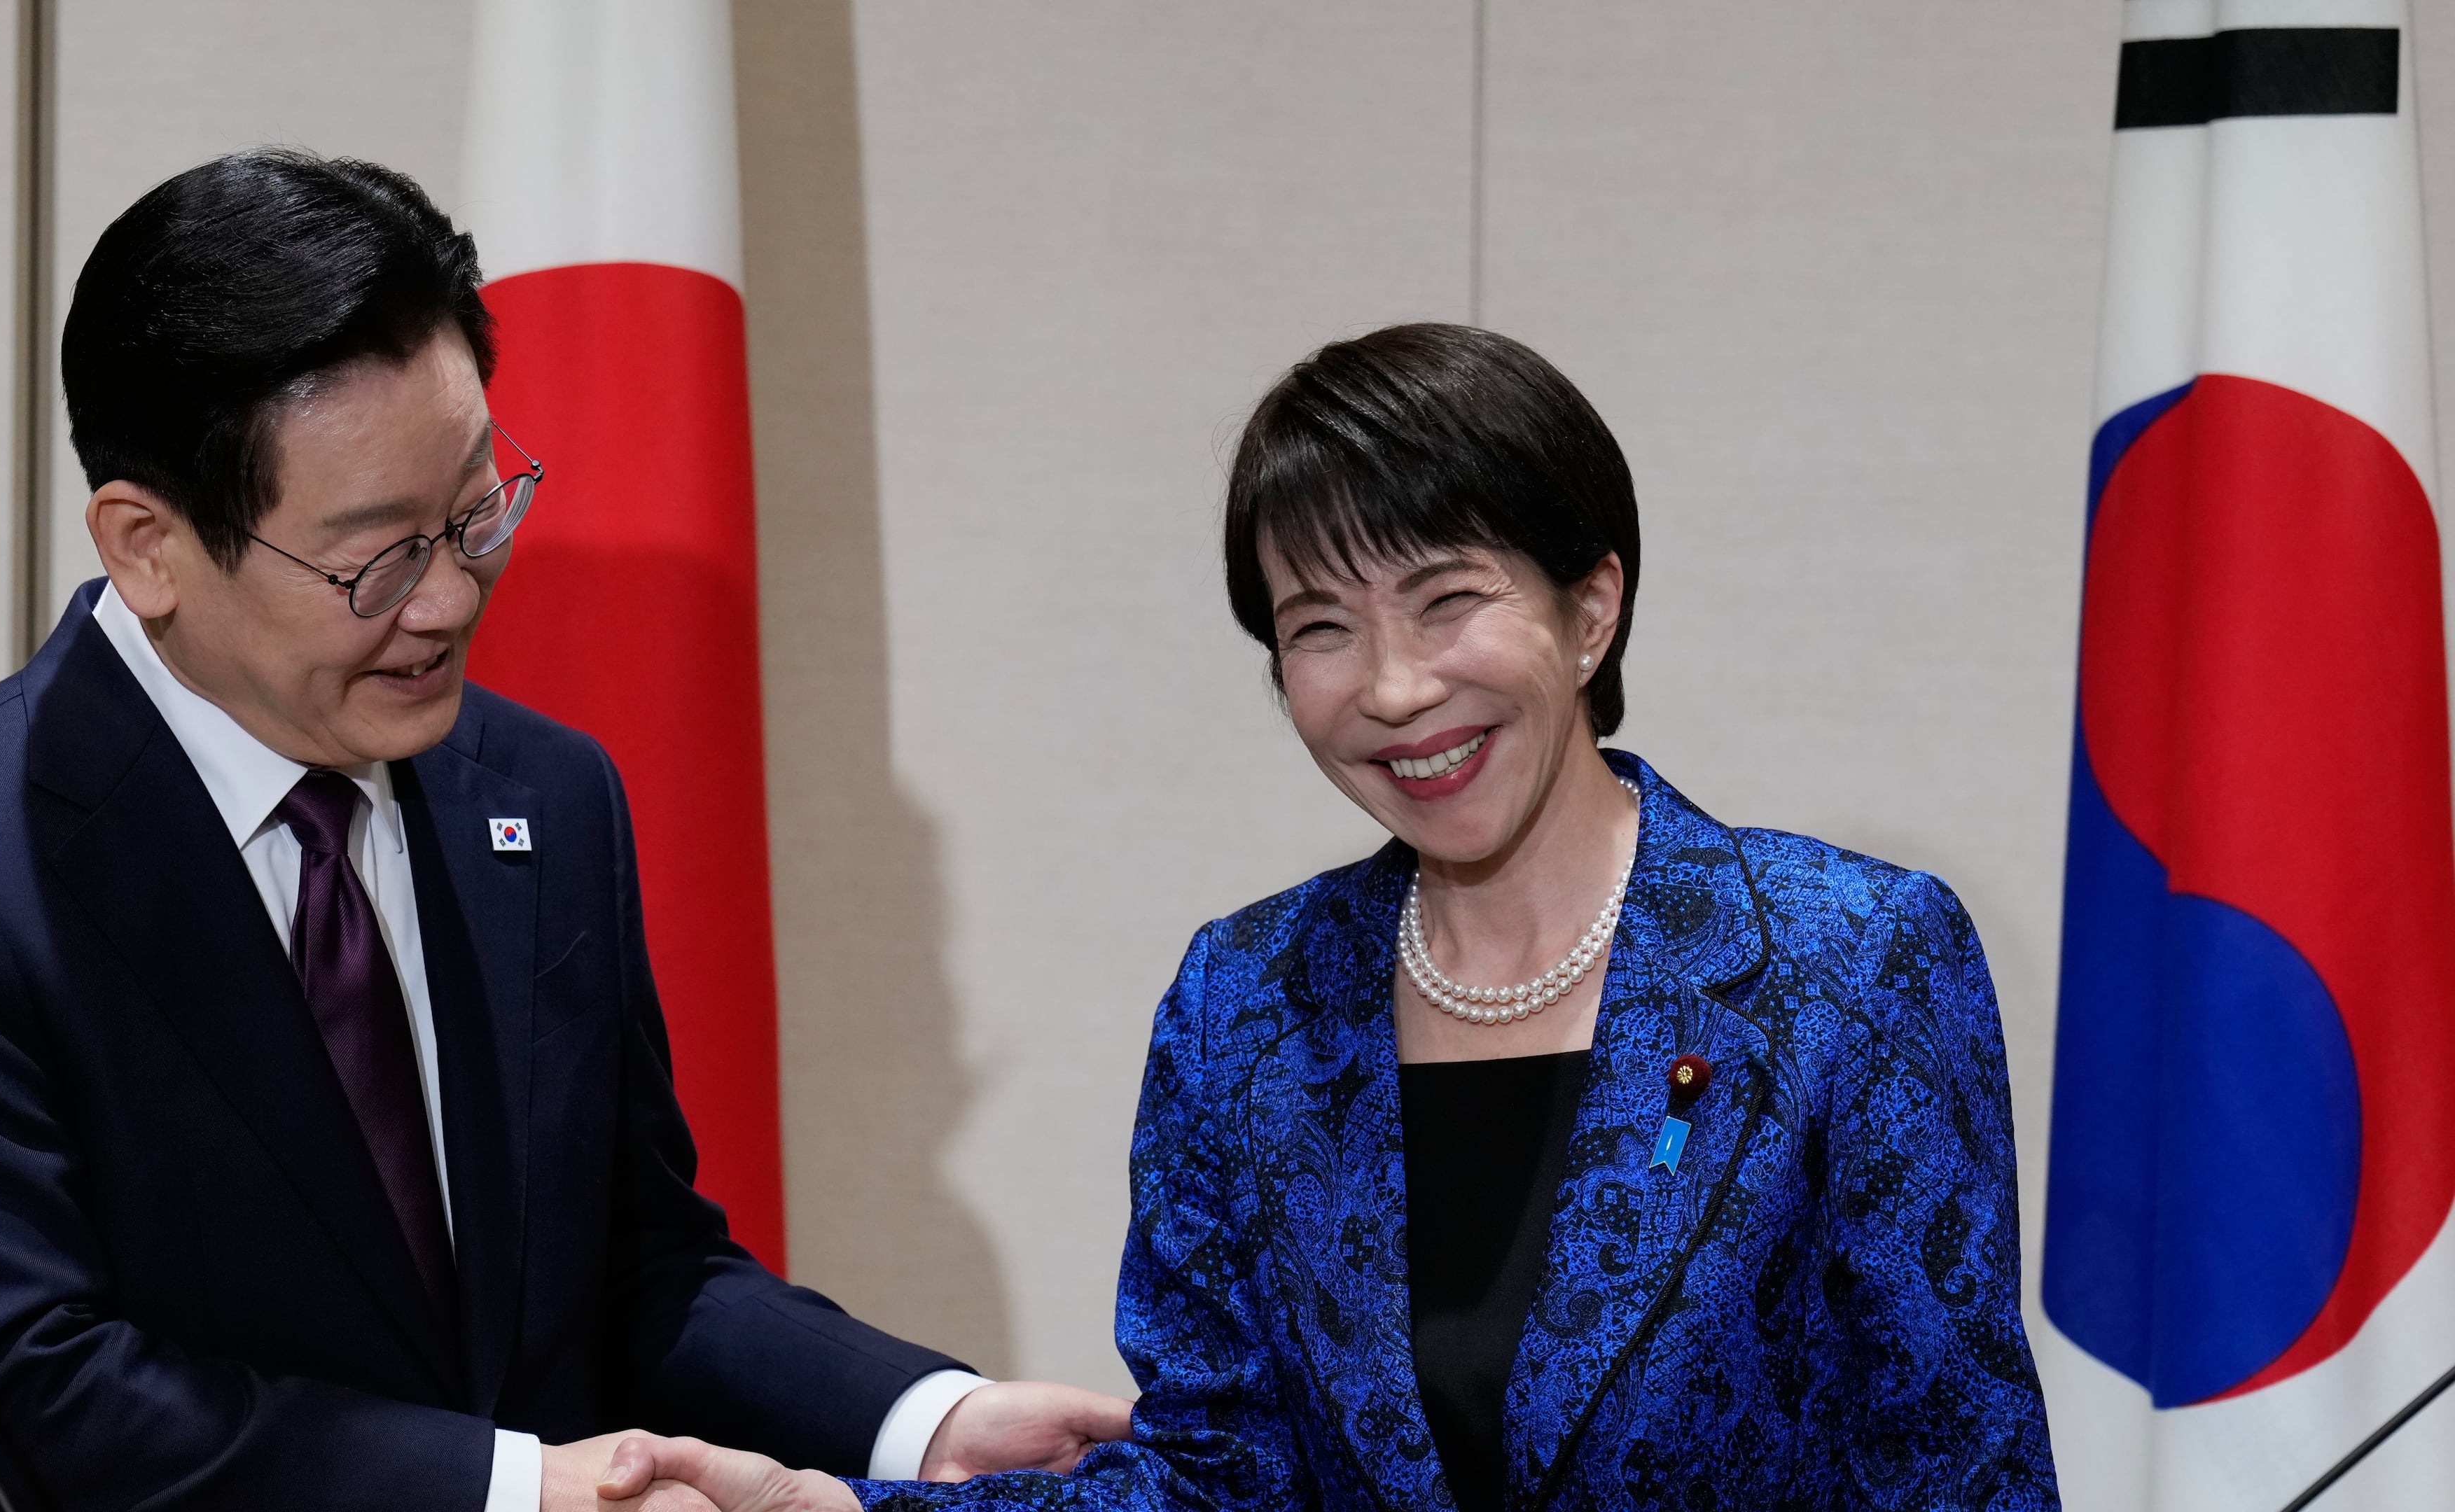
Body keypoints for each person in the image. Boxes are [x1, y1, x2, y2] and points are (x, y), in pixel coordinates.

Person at [0, 150, 1129, 1512]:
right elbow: (35, 1400)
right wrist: (514, 1491)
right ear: (147, 545)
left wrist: (926, 1420)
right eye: (377, 557)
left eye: (477, 513)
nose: (447, 603)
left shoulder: (548, 797)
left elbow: (643, 1272)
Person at [620, 323, 2061, 1510]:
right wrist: (831, 1510)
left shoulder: (1845, 961)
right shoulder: (1244, 1000)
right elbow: (1214, 1486)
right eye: (1320, 627)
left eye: (1447, 601)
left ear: (1590, 609)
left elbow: (1961, 1470)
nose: (1390, 689)